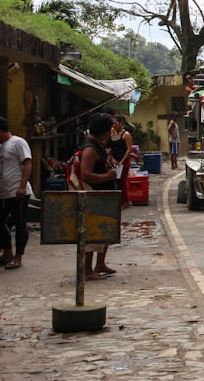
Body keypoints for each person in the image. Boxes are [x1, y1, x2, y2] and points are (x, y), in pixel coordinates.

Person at [0, 116, 32, 270]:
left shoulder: (18, 142)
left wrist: (22, 186)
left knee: (19, 222)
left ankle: (18, 256)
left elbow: (27, 163)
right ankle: (8, 252)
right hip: (2, 193)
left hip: (16, 191)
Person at [80, 112, 118, 280]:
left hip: (104, 194)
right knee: (93, 233)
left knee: (104, 231)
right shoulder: (90, 149)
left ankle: (100, 263)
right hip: (94, 195)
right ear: (104, 130)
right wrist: (108, 177)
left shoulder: (98, 145)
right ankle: (88, 270)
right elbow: (85, 174)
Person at [108, 115, 135, 206]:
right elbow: (111, 148)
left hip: (124, 161)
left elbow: (129, 149)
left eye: (115, 123)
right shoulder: (112, 135)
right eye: (113, 123)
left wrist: (122, 161)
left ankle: (123, 202)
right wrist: (111, 158)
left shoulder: (126, 134)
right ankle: (126, 200)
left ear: (121, 123)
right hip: (115, 161)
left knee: (122, 182)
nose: (114, 125)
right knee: (117, 181)